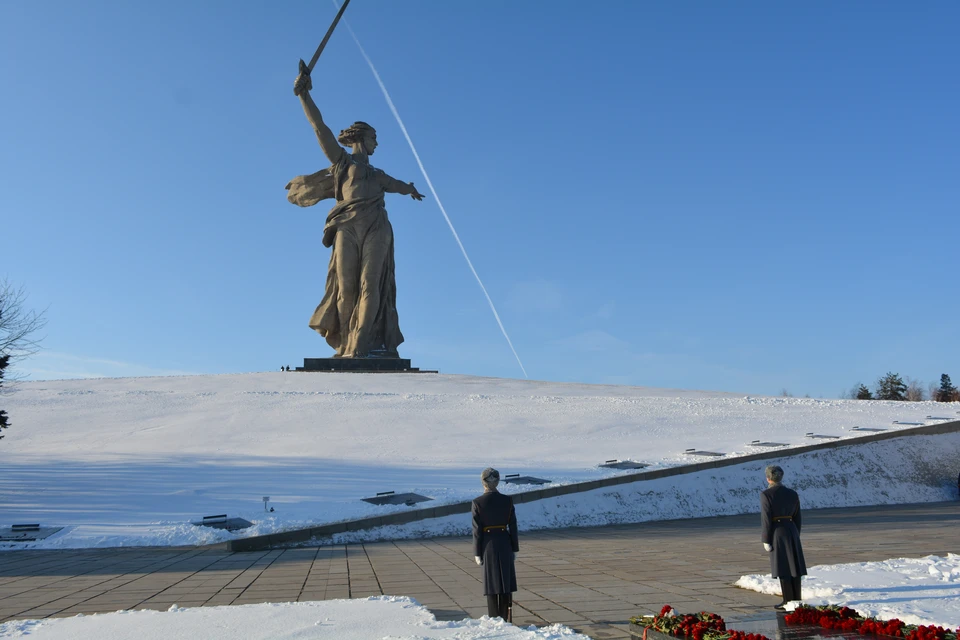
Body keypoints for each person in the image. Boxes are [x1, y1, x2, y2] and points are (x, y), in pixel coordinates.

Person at [289, 63, 424, 358]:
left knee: (370, 285)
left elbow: (397, 185)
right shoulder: (343, 164)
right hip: (347, 226)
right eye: (374, 138)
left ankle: (361, 346)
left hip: (376, 226)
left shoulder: (378, 174)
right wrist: (304, 96)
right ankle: (347, 344)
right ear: (361, 138)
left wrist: (410, 188)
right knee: (346, 288)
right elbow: (319, 128)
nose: (377, 143)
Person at [472, 468, 519, 621]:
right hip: (504, 543)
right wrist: (514, 548)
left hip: (488, 545)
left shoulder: (478, 502)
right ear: (497, 481)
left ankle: (494, 618)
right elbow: (512, 526)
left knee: (491, 583)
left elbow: (477, 530)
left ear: (483, 482)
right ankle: (507, 617)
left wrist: (477, 552)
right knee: (505, 582)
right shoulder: (507, 500)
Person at [761, 465, 807, 609]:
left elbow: (766, 518)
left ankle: (787, 600)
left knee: (783, 566)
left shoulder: (767, 494)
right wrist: (796, 533)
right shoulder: (792, 493)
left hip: (777, 531)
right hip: (791, 529)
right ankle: (797, 598)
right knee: (795, 565)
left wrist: (766, 539)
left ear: (768, 478)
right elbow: (798, 517)